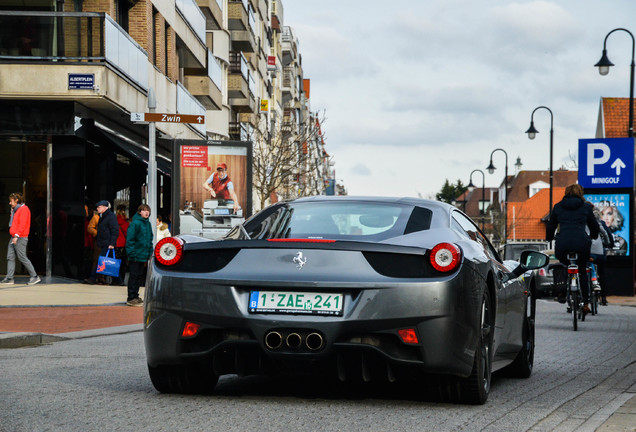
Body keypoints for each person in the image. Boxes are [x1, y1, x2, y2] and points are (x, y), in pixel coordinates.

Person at [546, 184, 599, 314]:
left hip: (563, 244)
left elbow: (551, 226)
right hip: (581, 244)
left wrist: (549, 238)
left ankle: (562, 292)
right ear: (580, 193)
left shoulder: (558, 207)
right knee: (582, 271)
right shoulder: (586, 207)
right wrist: (593, 235)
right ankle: (586, 303)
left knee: (564, 265)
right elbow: (594, 225)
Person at [0, 193, 40, 285]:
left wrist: (17, 236)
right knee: (10, 257)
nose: (10, 203)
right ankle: (9, 278)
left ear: (16, 200)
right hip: (14, 236)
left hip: (20, 237)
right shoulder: (16, 210)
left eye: (11, 201)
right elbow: (14, 223)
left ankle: (34, 276)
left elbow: (22, 224)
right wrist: (12, 212)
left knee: (22, 257)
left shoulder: (24, 209)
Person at [125, 204, 153, 307]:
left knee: (139, 277)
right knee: (134, 276)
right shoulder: (135, 223)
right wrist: (131, 253)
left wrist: (150, 251)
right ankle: (131, 297)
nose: (147, 212)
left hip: (143, 255)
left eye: (148, 211)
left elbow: (150, 239)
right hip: (136, 255)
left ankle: (135, 296)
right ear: (139, 212)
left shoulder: (148, 224)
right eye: (144, 210)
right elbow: (130, 240)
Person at [90, 200, 120, 285]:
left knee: (101, 261)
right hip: (105, 242)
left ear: (105, 207)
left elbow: (115, 230)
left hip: (108, 243)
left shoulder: (110, 216)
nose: (97, 208)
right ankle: (118, 280)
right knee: (110, 261)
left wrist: (112, 243)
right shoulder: (102, 216)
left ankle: (92, 278)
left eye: (99, 207)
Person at [590, 207, 613, 306]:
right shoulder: (601, 223)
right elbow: (608, 235)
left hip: (589, 253)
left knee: (586, 269)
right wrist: (610, 244)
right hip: (600, 253)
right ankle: (603, 298)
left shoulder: (583, 223)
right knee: (602, 273)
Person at [115, 204, 130, 286]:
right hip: (124, 246)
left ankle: (116, 279)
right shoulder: (126, 224)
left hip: (115, 245)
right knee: (123, 264)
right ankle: (122, 280)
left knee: (115, 263)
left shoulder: (114, 222)